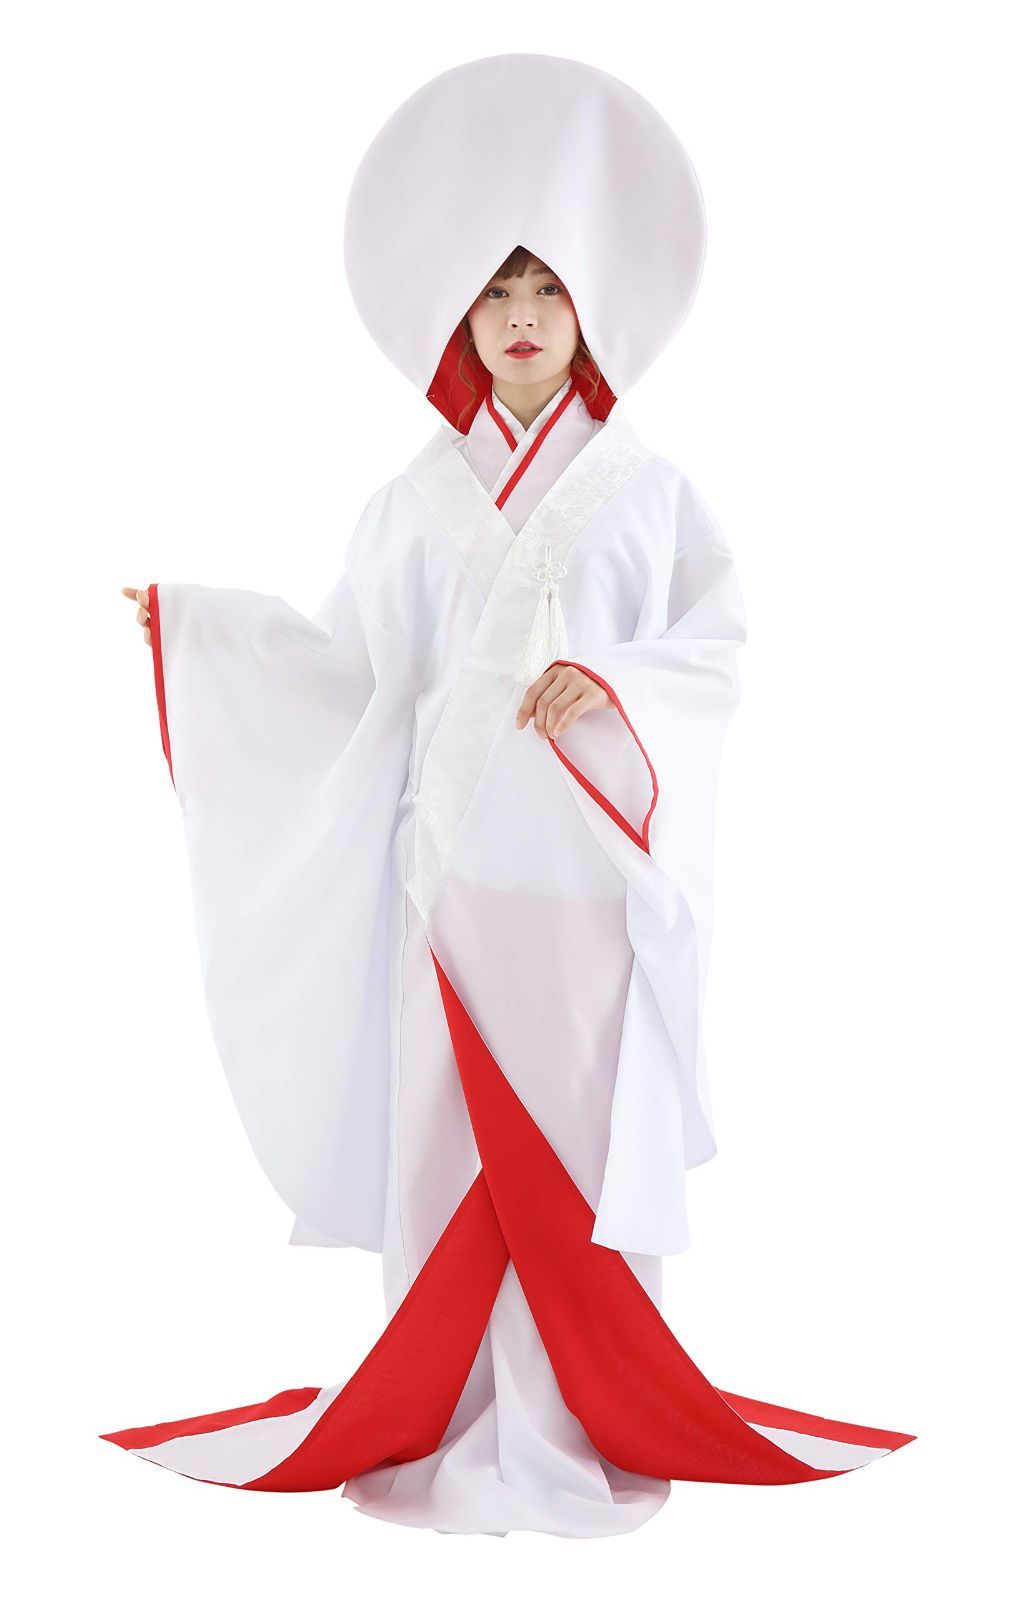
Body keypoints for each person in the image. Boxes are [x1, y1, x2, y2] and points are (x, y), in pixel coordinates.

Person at [103, 54, 914, 1538]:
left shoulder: (652, 493)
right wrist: (205, 633)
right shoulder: (408, 505)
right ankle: (450, 1420)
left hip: (586, 897)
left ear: (590, 307)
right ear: (459, 318)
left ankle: (578, 1424)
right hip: (448, 888)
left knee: (580, 1164)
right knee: (443, 1160)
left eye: (548, 287)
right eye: (496, 292)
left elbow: (711, 653)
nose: (525, 315)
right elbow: (347, 675)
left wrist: (614, 687)